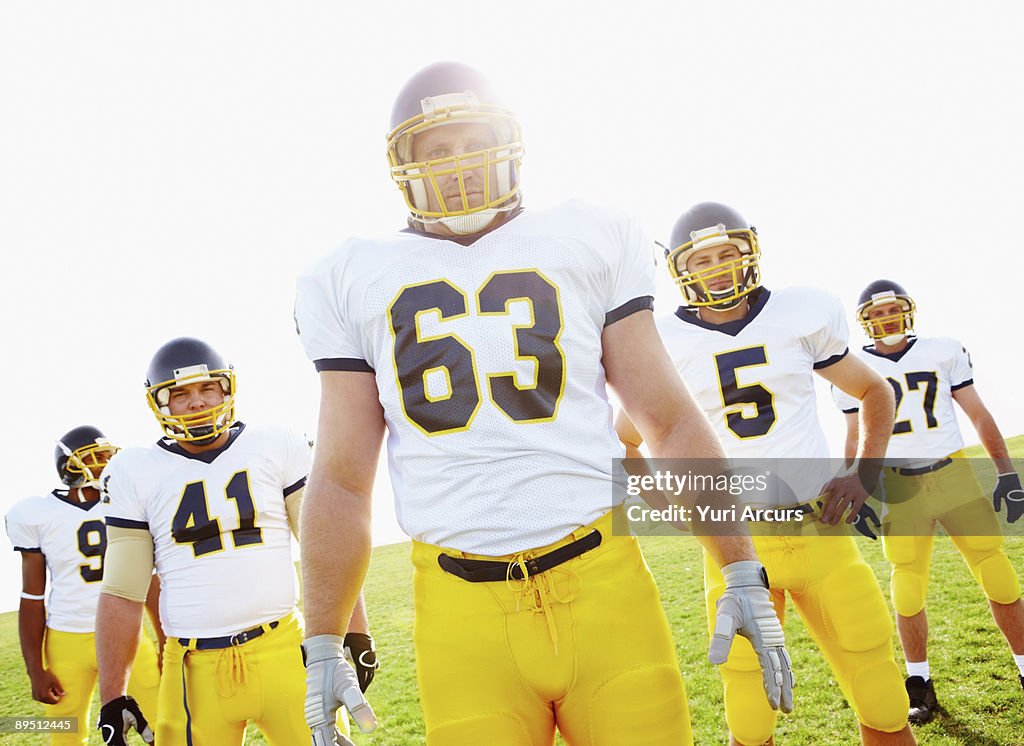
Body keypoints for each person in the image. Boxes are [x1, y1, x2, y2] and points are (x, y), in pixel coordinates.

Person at [294, 62, 793, 746]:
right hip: (459, 612)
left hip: (605, 584)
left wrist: (740, 565)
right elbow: (343, 478)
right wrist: (322, 639)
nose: (460, 165)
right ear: (403, 165)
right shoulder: (346, 276)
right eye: (437, 150)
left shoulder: (589, 233)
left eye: (474, 141)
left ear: (510, 141)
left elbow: (668, 418)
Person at [616, 202, 915, 745]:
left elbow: (876, 391)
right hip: (738, 545)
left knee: (883, 699)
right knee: (749, 716)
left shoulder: (802, 312)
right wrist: (672, 507)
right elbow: (629, 439)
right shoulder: (664, 342)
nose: (718, 268)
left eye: (727, 254)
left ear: (750, 252)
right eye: (703, 260)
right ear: (682, 271)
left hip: (819, 532)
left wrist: (861, 476)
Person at [93, 337, 376, 746]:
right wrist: (112, 696)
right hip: (193, 667)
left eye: (207, 388)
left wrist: (353, 633)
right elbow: (122, 591)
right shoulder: (134, 471)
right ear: (159, 404)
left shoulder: (275, 444)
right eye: (180, 394)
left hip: (284, 647)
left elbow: (328, 547)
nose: (197, 403)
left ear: (227, 388)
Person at [834, 279, 1024, 724]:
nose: (886, 318)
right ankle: (920, 686)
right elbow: (853, 437)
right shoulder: (852, 367)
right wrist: (854, 490)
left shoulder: (943, 348)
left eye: (892, 309)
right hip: (899, 489)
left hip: (952, 473)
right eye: (876, 313)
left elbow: (978, 413)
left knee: (998, 575)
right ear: (865, 321)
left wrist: (1008, 473)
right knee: (906, 585)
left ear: (908, 310)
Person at [4, 425, 161, 746]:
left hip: (127, 633)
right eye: (96, 457)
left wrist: (163, 638)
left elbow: (149, 579)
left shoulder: (129, 504)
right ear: (69, 466)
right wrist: (35, 669)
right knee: (66, 734)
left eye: (108, 456)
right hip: (67, 640)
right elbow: (32, 595)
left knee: (162, 724)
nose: (106, 463)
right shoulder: (36, 514)